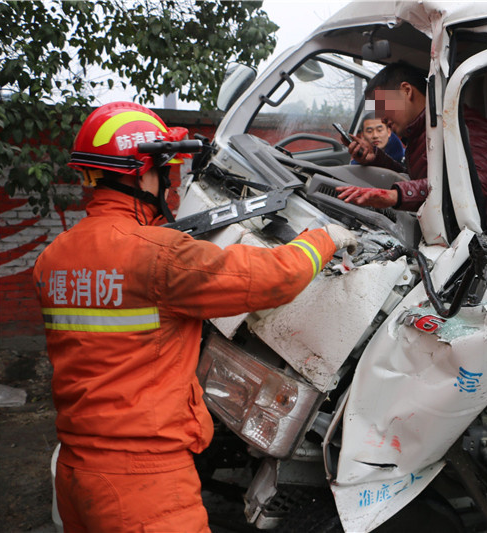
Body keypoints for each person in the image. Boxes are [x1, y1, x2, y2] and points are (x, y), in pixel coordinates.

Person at [33, 102, 356, 533]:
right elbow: (272, 277)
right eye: (165, 171)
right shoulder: (157, 256)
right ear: (141, 173)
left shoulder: (53, 259)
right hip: (143, 487)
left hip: (76, 472)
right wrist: (324, 237)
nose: (169, 184)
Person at [337, 62, 487, 229]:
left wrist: (396, 195)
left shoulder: (462, 126)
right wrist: (375, 159)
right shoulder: (421, 132)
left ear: (406, 91)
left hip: (477, 237)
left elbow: (471, 187)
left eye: (382, 105)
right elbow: (417, 178)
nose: (381, 117)